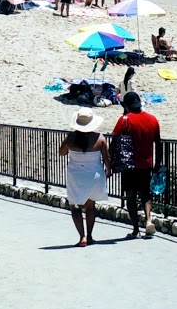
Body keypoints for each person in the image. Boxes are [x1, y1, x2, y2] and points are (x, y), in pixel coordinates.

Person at [112, 91, 161, 238]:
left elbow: (114, 142)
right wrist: (157, 163)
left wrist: (109, 161)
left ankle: (135, 230)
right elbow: (158, 144)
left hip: (129, 164)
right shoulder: (153, 120)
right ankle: (148, 220)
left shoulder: (124, 120)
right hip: (147, 164)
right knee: (145, 194)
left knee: (130, 196)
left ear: (126, 106)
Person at [60, 109, 110, 246]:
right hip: (94, 174)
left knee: (74, 206)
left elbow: (62, 152)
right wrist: (109, 171)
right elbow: (107, 158)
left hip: (76, 174)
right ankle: (90, 236)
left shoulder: (71, 138)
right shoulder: (100, 138)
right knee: (90, 207)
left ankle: (82, 237)